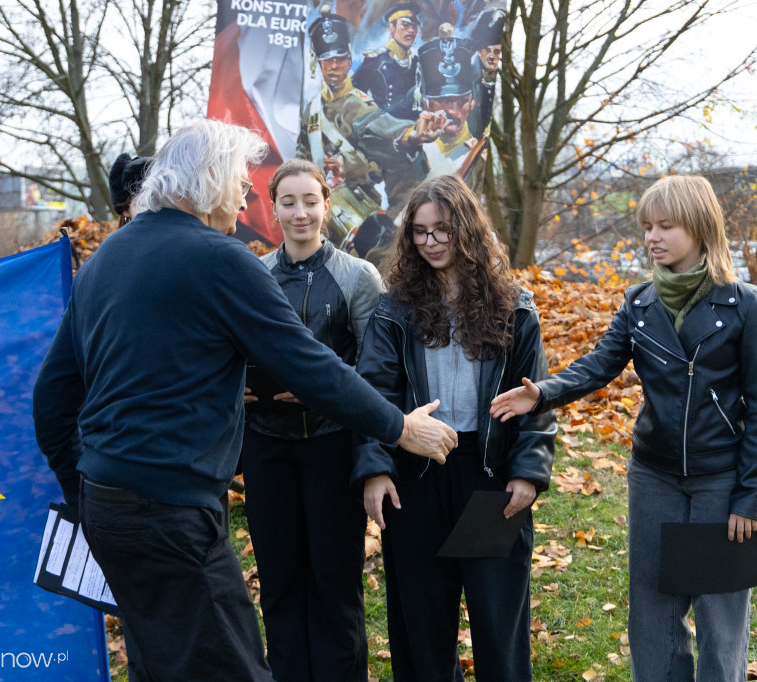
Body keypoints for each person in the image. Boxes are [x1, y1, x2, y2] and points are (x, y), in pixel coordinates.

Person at [32, 119, 457, 682]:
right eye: (239, 180)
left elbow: (51, 399)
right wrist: (399, 427)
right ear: (208, 181)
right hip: (171, 514)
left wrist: (84, 493)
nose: (246, 194)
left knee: (161, 665)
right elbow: (309, 365)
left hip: (109, 508)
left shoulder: (108, 259)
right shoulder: (221, 259)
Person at [490, 174, 757, 681]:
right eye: (647, 226)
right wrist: (543, 391)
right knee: (652, 610)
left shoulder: (743, 305)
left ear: (699, 226)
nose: (652, 237)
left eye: (665, 226)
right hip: (653, 475)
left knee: (720, 615)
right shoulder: (639, 304)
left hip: (722, 477)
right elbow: (598, 365)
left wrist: (748, 494)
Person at [353, 174, 557, 681]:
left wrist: (528, 472)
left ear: (466, 228)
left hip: (489, 478)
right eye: (420, 232)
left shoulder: (514, 305)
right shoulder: (394, 308)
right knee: (422, 624)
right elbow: (372, 393)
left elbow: (537, 398)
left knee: (498, 620)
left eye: (442, 230)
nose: (431, 242)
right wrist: (376, 468)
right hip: (416, 475)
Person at [240, 158, 382, 682]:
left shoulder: (359, 277)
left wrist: (319, 389)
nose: (301, 213)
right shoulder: (252, 274)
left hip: (331, 445)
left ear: (327, 204)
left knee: (334, 581)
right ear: (273, 208)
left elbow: (378, 366)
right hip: (266, 447)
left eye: (311, 201)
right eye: (288, 202)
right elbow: (230, 352)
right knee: (279, 582)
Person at [296, 7, 442, 243]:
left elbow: (379, 125)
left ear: (349, 59)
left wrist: (411, 135)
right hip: (318, 216)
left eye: (340, 58)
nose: (334, 66)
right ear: (318, 63)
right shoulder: (312, 110)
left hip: (360, 215)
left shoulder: (362, 105)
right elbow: (302, 156)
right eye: (327, 59)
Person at [415, 27, 486, 186]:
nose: (453, 111)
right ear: (426, 103)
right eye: (444, 101)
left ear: (472, 103)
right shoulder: (412, 154)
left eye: (461, 102)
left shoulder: (480, 156)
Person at [352, 2, 421, 121]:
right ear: (391, 28)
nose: (411, 31)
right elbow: (354, 92)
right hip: (384, 129)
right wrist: (370, 110)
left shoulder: (417, 63)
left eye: (414, 27)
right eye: (405, 25)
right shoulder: (375, 62)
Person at [466, 8, 504, 139]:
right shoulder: (468, 78)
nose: (491, 56)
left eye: (497, 51)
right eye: (487, 50)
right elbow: (474, 130)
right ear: (479, 50)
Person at [107, 152, 152, 226]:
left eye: (158, 202)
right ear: (125, 211)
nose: (153, 210)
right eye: (143, 205)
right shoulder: (120, 237)